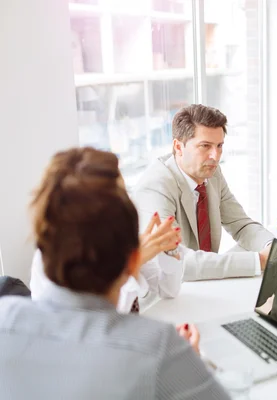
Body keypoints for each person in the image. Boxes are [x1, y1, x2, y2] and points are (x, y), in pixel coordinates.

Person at [0, 148, 229, 399]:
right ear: (131, 261)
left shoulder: (6, 316)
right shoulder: (158, 349)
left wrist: (166, 253)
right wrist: (189, 367)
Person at [133, 104, 274, 281]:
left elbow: (241, 225)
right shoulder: (155, 187)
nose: (215, 156)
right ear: (178, 147)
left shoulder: (212, 174)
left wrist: (273, 248)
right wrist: (258, 260)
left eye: (219, 145)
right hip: (167, 295)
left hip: (204, 284)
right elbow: (178, 261)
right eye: (205, 146)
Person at [30, 212, 183, 313]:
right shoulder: (56, 256)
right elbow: (103, 326)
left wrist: (169, 250)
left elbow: (168, 290)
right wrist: (131, 268)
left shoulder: (118, 234)